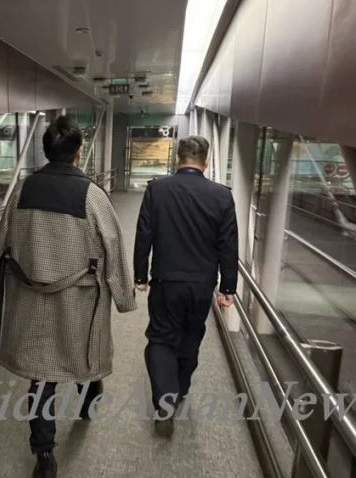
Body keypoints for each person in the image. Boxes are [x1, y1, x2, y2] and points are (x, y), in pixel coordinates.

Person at [0, 116, 137, 478]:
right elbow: (114, 247)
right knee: (82, 353)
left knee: (41, 376)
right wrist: (124, 297)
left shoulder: (23, 190)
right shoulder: (93, 195)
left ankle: (45, 455)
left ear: (46, 151)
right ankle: (89, 395)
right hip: (79, 301)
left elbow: (1, 240)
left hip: (31, 300)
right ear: (78, 152)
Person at [133, 135, 238, 438]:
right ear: (206, 162)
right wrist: (227, 287)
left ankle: (164, 403)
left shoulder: (157, 189)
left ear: (178, 160)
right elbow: (228, 245)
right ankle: (180, 389)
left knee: (161, 338)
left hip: (166, 281)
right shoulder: (221, 196)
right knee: (191, 335)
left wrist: (140, 275)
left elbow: (144, 234)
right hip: (202, 284)